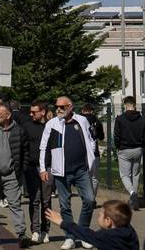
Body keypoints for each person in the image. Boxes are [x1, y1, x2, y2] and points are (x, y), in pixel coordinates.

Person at [40, 96, 97, 250]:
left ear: (70, 107)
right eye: (56, 106)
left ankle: (83, 234)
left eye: (62, 107)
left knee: (90, 200)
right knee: (65, 206)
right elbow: (43, 147)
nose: (58, 109)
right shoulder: (51, 124)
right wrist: (43, 168)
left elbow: (92, 139)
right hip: (61, 172)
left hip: (81, 170)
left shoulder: (82, 121)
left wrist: (90, 159)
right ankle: (70, 237)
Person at [0, 104, 31, 247]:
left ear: (8, 115)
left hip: (12, 175)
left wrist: (21, 169)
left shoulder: (19, 130)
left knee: (15, 205)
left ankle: (22, 234)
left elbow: (25, 152)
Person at [46, 200, 139, 249]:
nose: (97, 217)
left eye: (100, 215)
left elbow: (85, 233)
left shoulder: (107, 237)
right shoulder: (130, 231)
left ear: (108, 221)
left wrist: (62, 222)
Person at [23, 100, 54, 244]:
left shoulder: (51, 126)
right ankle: (34, 230)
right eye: (30, 111)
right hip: (31, 167)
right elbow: (23, 147)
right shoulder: (27, 127)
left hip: (48, 167)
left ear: (42, 112)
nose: (31, 114)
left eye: (33, 112)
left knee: (46, 200)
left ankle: (45, 230)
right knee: (34, 200)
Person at [114, 95, 145, 210]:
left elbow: (116, 136)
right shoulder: (142, 119)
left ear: (125, 105)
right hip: (138, 149)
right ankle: (134, 202)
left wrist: (118, 146)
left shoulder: (120, 119)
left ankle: (132, 193)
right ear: (135, 105)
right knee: (135, 175)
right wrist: (142, 147)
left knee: (124, 175)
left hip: (124, 150)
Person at [81, 103, 105, 198]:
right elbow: (101, 137)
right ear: (92, 111)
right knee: (94, 178)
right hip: (94, 152)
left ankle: (86, 197)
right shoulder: (96, 121)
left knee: (84, 177)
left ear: (82, 111)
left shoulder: (78, 121)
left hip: (81, 152)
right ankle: (93, 198)